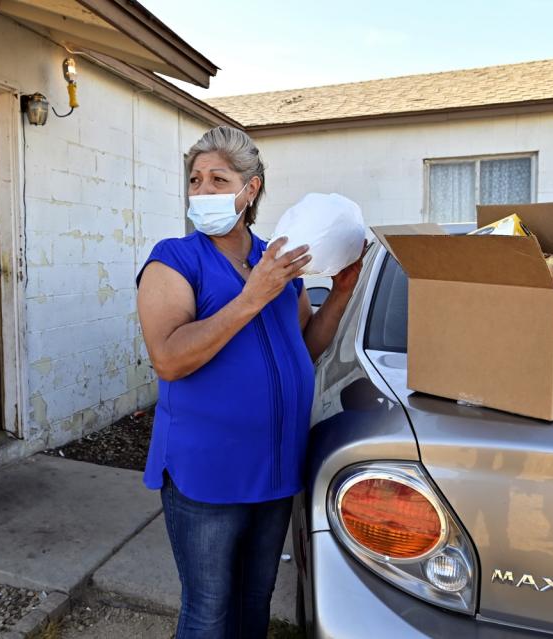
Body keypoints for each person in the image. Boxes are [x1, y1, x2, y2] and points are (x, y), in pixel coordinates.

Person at [135, 126, 365, 639]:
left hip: (277, 464)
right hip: (207, 471)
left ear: (251, 189)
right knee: (209, 612)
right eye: (195, 180)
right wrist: (252, 295)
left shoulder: (280, 260)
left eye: (219, 179)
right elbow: (169, 359)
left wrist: (343, 292)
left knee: (253, 604)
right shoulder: (174, 258)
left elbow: (302, 348)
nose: (202, 191)